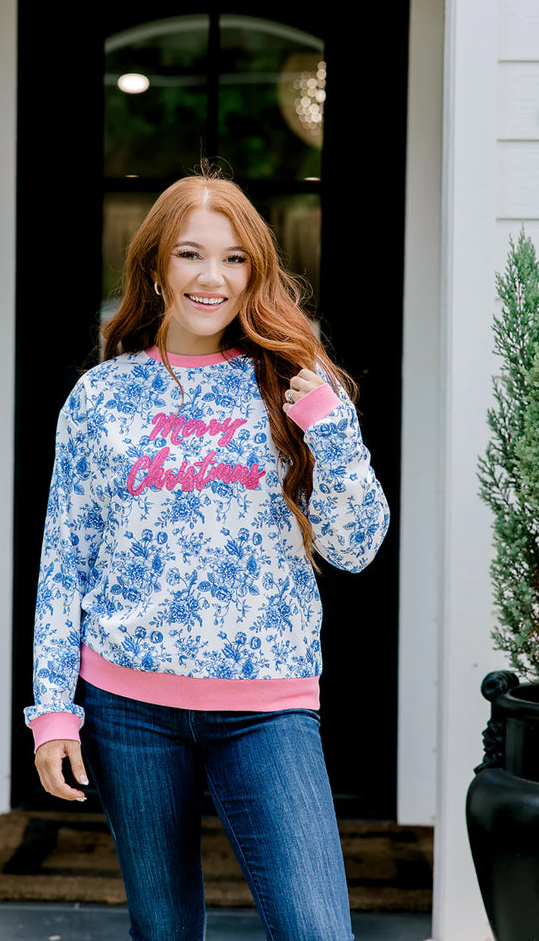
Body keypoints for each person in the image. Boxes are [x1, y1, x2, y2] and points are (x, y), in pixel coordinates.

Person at [25, 167, 389, 941]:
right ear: (157, 267)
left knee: (316, 930)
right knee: (163, 930)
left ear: (255, 272)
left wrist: (332, 430)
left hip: (267, 705)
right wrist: (53, 711)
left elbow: (356, 549)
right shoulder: (100, 396)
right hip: (128, 707)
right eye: (191, 254)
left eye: (233, 259)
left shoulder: (294, 385)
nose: (211, 277)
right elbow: (65, 562)